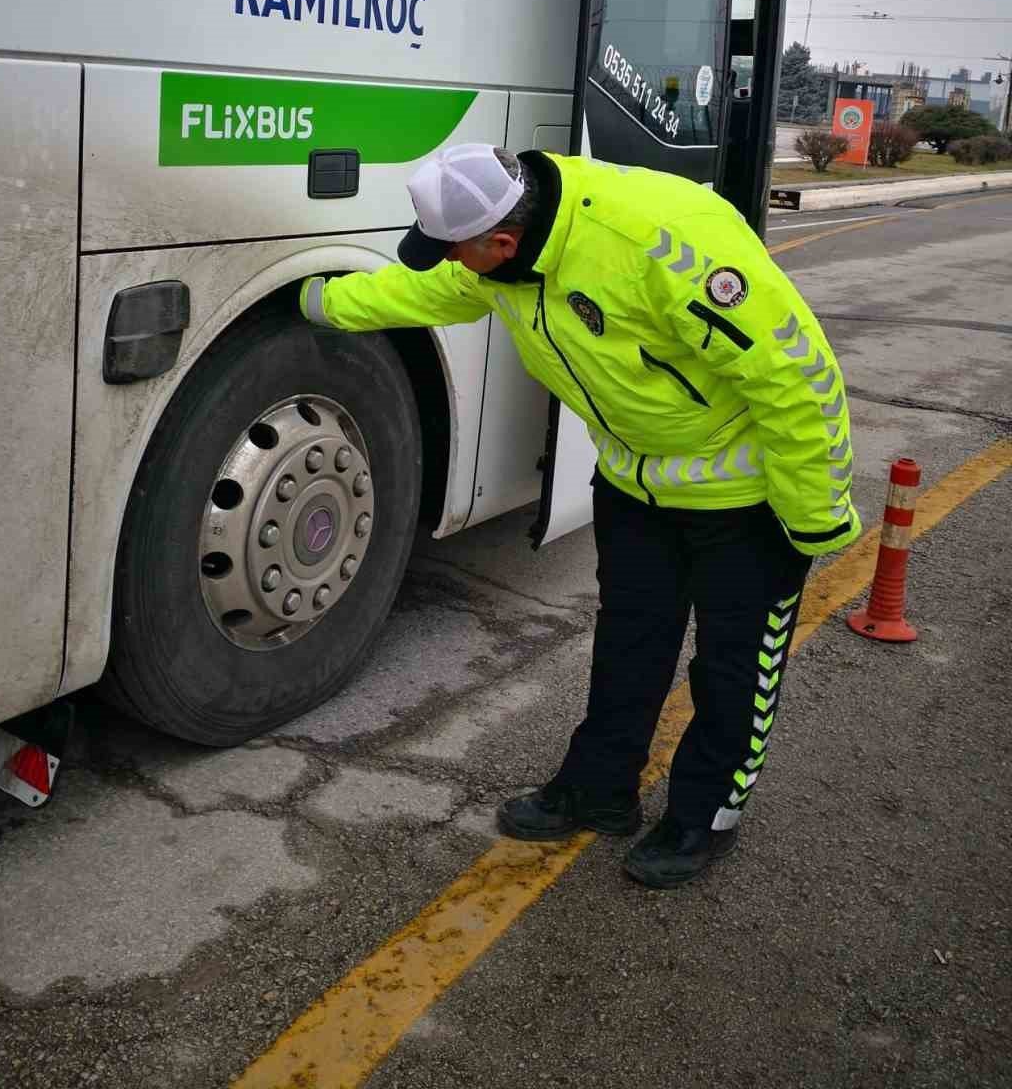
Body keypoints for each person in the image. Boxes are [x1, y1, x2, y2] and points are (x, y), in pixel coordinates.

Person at [300, 144, 859, 888]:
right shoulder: (505, 258)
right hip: (635, 483)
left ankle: (705, 814)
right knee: (630, 642)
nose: (453, 263)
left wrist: (815, 517)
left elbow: (794, 376)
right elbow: (427, 291)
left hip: (745, 498)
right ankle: (599, 788)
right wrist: (321, 303)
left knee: (734, 668)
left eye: (457, 250)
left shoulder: (662, 246)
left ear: (503, 241)